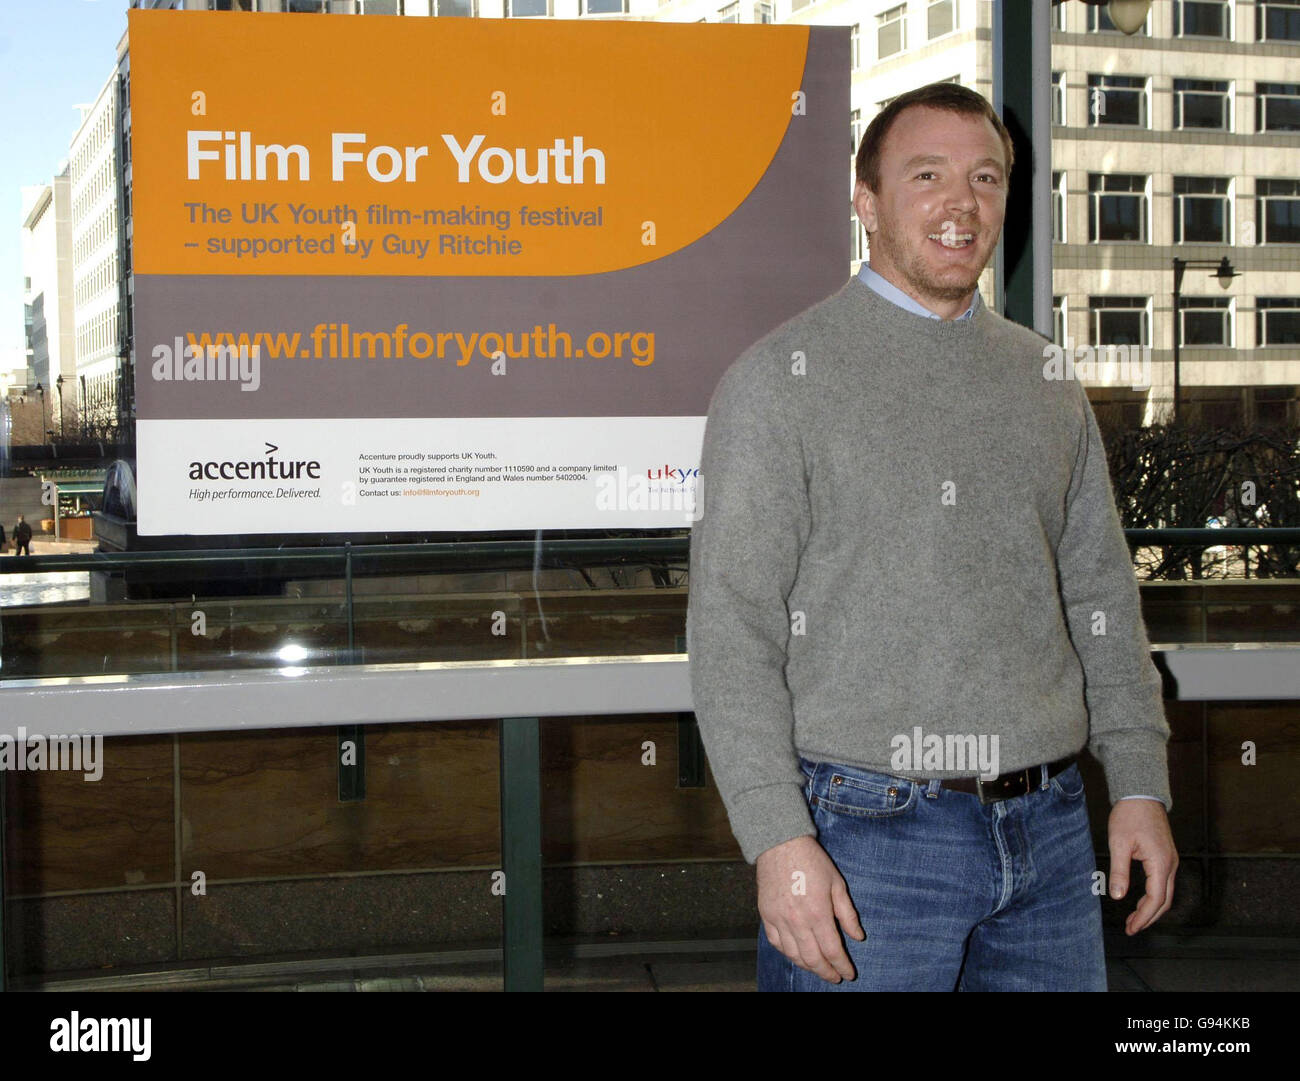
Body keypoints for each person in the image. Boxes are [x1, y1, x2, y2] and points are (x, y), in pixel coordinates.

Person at [686, 82, 1177, 992]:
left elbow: (1101, 596)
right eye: (927, 176)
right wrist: (776, 837)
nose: (963, 204)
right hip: (865, 841)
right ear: (865, 201)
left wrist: (1139, 782)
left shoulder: (1044, 380)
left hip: (1054, 833)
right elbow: (731, 631)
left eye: (985, 178)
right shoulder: (777, 386)